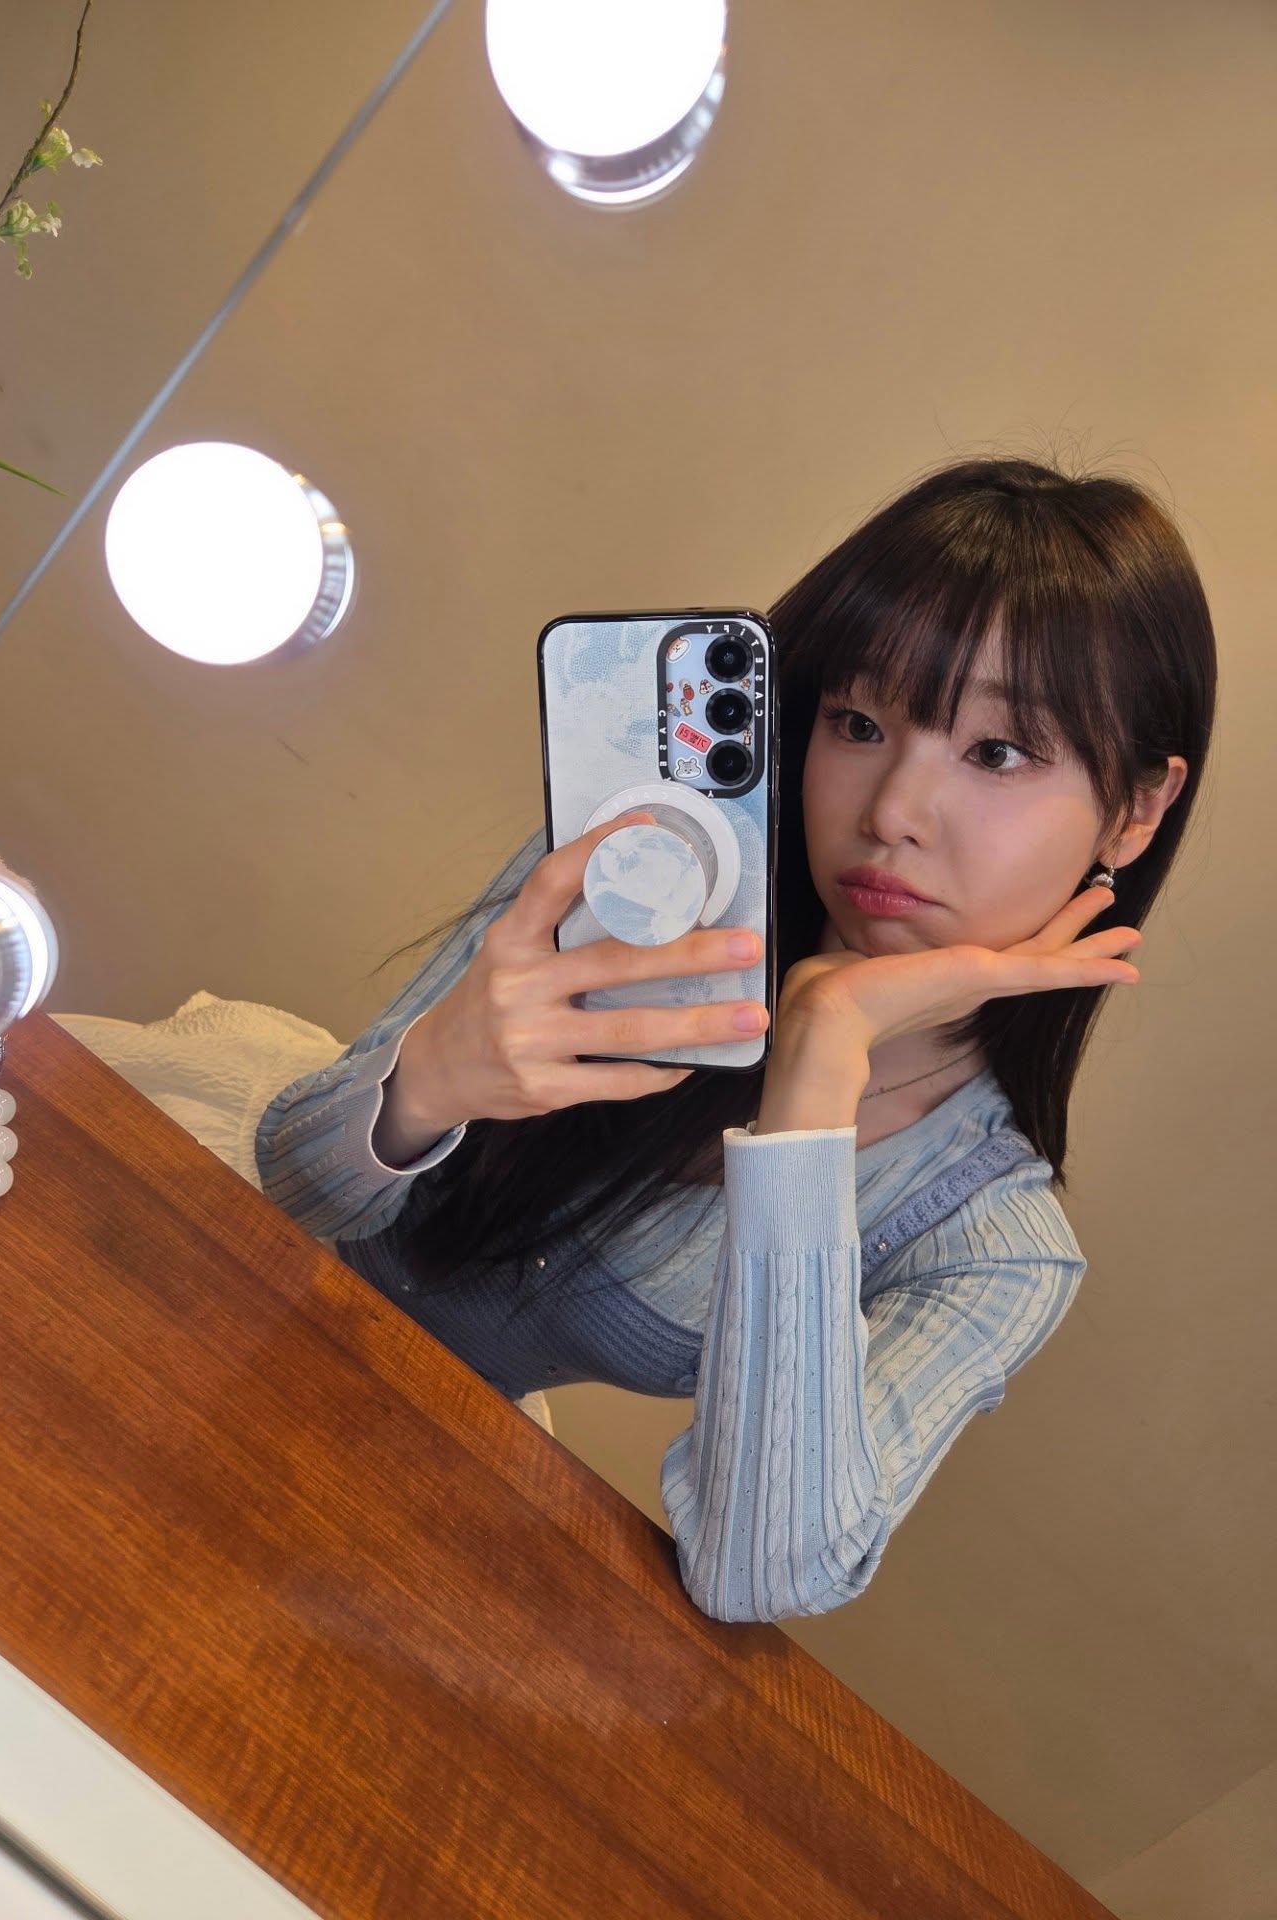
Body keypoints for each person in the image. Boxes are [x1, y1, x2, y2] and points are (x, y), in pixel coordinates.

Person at [255, 456, 1214, 1624]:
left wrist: (820, 1059)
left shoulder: (989, 1239)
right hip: (245, 1312)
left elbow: (758, 1573)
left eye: (997, 753)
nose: (891, 813)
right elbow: (289, 1186)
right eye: (859, 722)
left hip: (405, 1481)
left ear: (1136, 810)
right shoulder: (642, 886)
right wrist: (425, 1088)